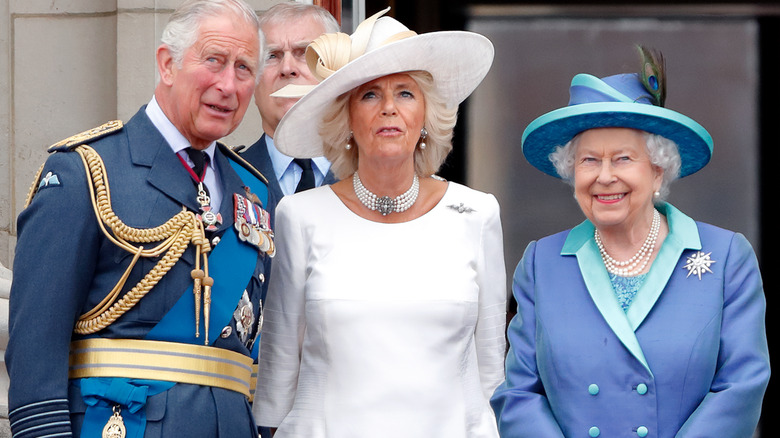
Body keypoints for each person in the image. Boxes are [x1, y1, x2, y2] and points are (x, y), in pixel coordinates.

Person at [5, 1, 275, 437]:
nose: (228, 84)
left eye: (244, 69)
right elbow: (36, 352)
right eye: (214, 61)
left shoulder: (254, 192)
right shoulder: (87, 172)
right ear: (167, 64)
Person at [490, 47, 770, 437]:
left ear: (658, 172)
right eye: (589, 161)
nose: (604, 177)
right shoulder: (542, 264)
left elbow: (741, 387)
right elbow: (518, 393)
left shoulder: (726, 258)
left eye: (622, 159)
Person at [252, 9, 506, 437]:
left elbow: (489, 378)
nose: (389, 108)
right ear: (347, 118)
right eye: (370, 95)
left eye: (405, 93)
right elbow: (278, 382)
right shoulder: (299, 215)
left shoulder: (478, 214)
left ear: (425, 115)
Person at [238, 1, 339, 225]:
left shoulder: (372, 174)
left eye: (304, 53)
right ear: (253, 81)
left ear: (335, 72)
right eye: (272, 56)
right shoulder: (225, 178)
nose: (287, 68)